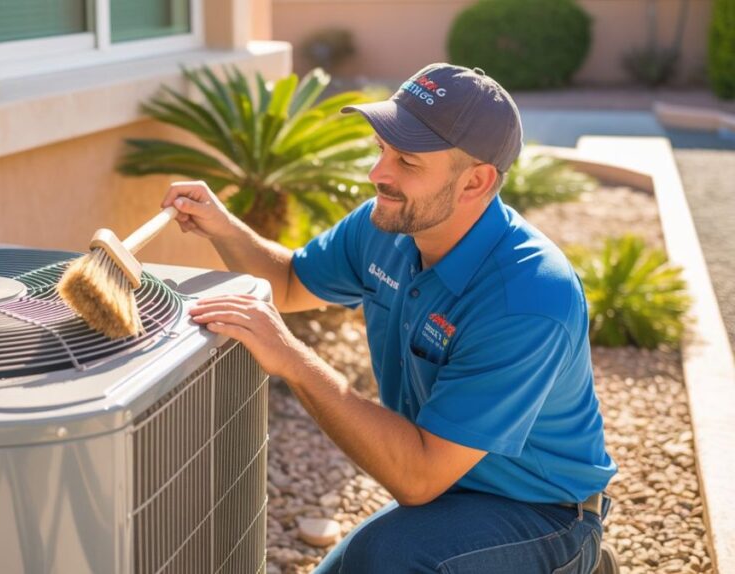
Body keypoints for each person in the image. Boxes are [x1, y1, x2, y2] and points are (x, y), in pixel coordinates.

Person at [161, 63, 617, 573]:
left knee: (393, 558)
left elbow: (418, 476)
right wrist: (222, 227)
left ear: (476, 182)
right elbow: (288, 283)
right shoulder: (388, 223)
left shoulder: (530, 296)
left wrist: (290, 358)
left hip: (540, 513)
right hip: (449, 492)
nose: (379, 172)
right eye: (381, 149)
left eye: (407, 160)